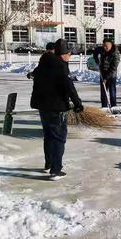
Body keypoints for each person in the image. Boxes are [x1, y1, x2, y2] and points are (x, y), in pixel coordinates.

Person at [30, 39, 83, 180]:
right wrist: (78, 103)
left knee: (48, 136)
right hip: (56, 107)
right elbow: (69, 87)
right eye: (69, 54)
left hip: (43, 106)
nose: (70, 56)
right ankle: (56, 170)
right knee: (59, 138)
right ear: (64, 54)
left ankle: (48, 164)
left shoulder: (43, 64)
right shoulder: (61, 66)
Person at [93, 39, 120, 108]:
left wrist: (106, 78)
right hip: (103, 74)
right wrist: (96, 60)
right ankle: (104, 107)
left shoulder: (115, 53)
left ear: (111, 45)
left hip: (111, 75)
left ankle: (114, 107)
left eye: (106, 46)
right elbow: (95, 51)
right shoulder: (101, 49)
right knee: (103, 93)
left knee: (112, 93)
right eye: (104, 46)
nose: (105, 48)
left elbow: (113, 68)